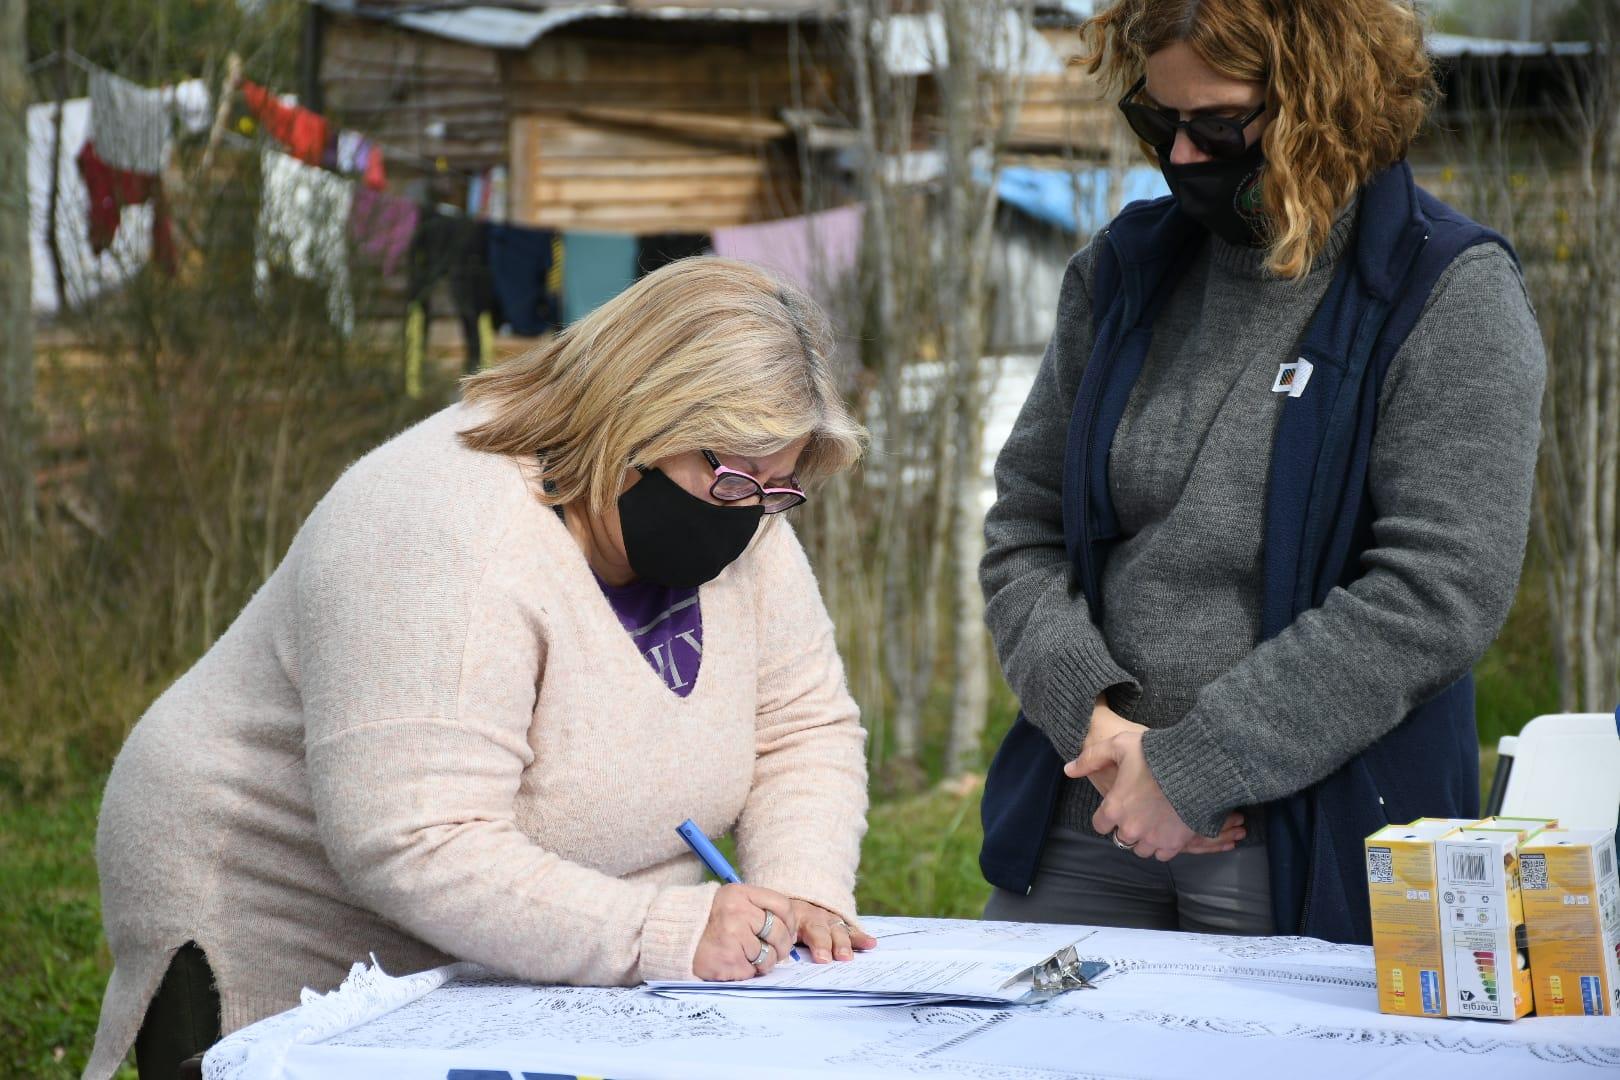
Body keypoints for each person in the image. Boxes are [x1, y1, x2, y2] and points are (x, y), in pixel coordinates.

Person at [85, 258, 877, 1080]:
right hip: (290, 915)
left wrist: (802, 891)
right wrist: (661, 932)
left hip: (537, 930)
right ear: (637, 421)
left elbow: (801, 722)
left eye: (779, 487)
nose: (754, 512)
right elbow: (417, 839)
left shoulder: (739, 498)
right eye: (735, 480)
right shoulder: (446, 526)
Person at [978, 0, 1544, 943]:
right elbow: (1024, 530)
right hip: (1090, 807)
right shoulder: (1121, 273)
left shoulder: (1446, 291)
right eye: (1158, 123)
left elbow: (1439, 591)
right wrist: (1094, 719)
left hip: (1309, 844)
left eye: (1219, 126)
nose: (1184, 159)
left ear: (1332, 103)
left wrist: (1199, 764)